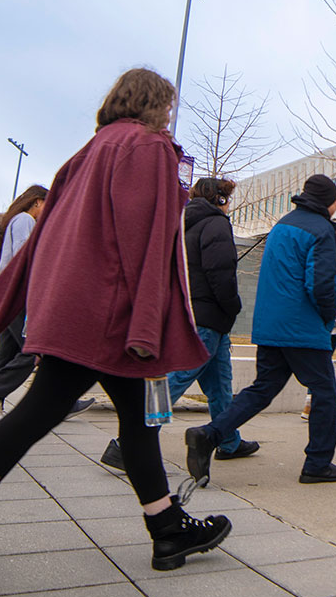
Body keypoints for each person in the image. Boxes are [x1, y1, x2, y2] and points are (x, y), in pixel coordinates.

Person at [0, 69, 229, 597]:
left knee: (137, 417)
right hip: (111, 313)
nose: (170, 119)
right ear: (158, 107)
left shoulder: (85, 154)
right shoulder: (149, 147)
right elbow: (145, 240)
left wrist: (7, 308)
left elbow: (48, 242)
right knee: (31, 418)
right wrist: (146, 323)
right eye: (169, 109)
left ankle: (167, 525)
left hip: (76, 305)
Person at [185, 173, 336, 486]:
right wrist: (330, 318)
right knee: (326, 393)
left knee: (262, 389)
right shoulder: (321, 230)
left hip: (271, 325)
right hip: (302, 328)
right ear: (331, 202)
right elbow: (321, 285)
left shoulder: (282, 225)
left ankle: (208, 435)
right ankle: (318, 463)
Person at [103, 177, 257, 470]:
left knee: (220, 387)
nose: (229, 204)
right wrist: (233, 305)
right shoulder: (216, 225)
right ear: (220, 200)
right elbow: (220, 273)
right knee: (173, 382)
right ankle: (128, 445)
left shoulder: (181, 224)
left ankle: (228, 440)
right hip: (208, 318)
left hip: (194, 316)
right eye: (227, 198)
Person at [0, 185, 49, 427]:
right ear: (37, 202)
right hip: (18, 295)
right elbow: (25, 258)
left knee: (5, 352)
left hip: (5, 294)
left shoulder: (12, 222)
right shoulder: (26, 220)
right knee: (33, 351)